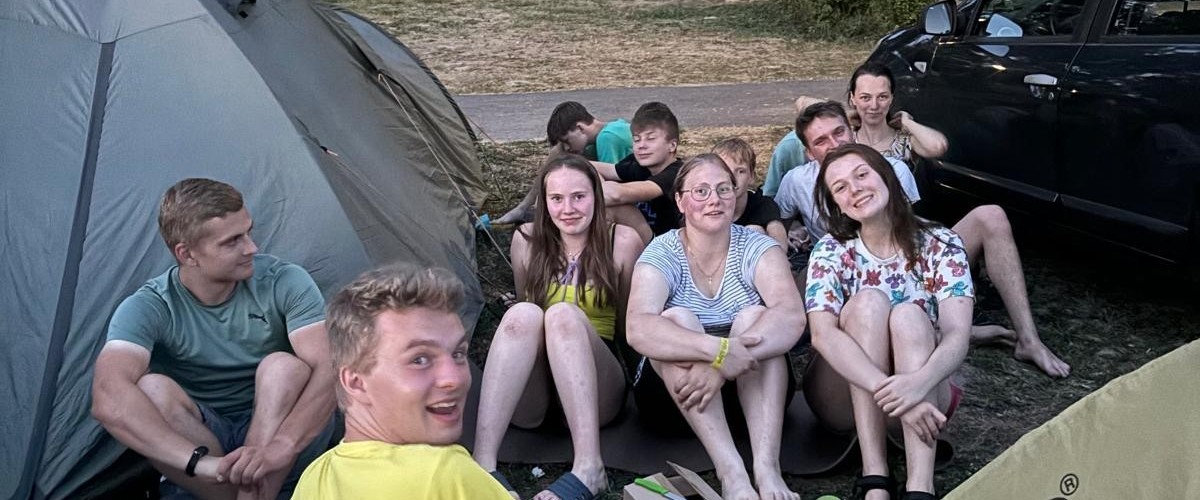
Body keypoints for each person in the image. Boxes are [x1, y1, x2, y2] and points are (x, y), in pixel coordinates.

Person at [775, 101, 1070, 378]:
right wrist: (792, 229)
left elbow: (905, 234)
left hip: (903, 267)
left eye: (839, 132)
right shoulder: (795, 182)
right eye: (821, 141)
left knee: (990, 216)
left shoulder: (890, 169)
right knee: (844, 298)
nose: (834, 143)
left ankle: (1027, 339)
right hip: (850, 283)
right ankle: (952, 332)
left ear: (852, 130)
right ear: (809, 152)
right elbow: (777, 219)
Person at [91, 178, 336, 500]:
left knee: (283, 368)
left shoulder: (284, 280)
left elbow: (331, 369)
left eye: (248, 232)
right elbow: (107, 396)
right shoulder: (151, 306)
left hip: (282, 438)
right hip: (203, 448)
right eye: (232, 241)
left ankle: (251, 493)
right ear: (187, 254)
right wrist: (204, 464)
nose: (251, 248)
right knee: (151, 389)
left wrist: (281, 446)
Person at [626, 154, 805, 500]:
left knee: (754, 317)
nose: (715, 199)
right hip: (679, 396)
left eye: (724, 189)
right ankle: (732, 473)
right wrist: (719, 353)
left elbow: (791, 316)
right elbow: (638, 327)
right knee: (677, 320)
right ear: (680, 201)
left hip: (752, 392)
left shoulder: (757, 246)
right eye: (701, 191)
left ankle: (767, 468)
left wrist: (721, 368)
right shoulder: (662, 251)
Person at [804, 144, 973, 500]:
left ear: (887, 176)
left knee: (909, 315)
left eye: (862, 175)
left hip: (924, 388)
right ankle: (875, 476)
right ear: (836, 204)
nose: (855, 189)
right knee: (867, 303)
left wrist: (917, 384)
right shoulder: (831, 250)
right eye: (840, 187)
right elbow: (821, 335)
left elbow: (958, 335)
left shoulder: (942, 242)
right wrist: (897, 393)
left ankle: (920, 485)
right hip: (845, 398)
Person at [473, 154, 644, 500]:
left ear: (596, 196)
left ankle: (589, 467)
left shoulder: (623, 242)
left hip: (597, 384)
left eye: (578, 196)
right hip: (536, 394)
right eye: (556, 198)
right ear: (544, 201)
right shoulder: (526, 239)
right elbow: (526, 307)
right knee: (524, 313)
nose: (568, 209)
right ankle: (482, 464)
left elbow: (629, 327)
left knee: (562, 315)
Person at [293, 264, 513, 500]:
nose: (454, 379)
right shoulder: (445, 474)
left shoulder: (315, 478)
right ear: (355, 382)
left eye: (458, 353)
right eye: (419, 360)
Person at [496, 102, 634, 225]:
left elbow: (610, 189)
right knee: (558, 151)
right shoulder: (609, 129)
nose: (567, 147)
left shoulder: (607, 138)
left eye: (567, 141)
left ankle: (537, 211)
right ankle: (524, 207)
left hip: (630, 202)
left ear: (580, 128)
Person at [590, 101, 686, 243]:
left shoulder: (677, 173)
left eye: (650, 138)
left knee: (615, 209)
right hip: (644, 236)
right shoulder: (639, 165)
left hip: (668, 245)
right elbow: (597, 168)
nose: (641, 146)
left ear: (672, 145)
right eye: (636, 140)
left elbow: (615, 195)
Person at [845, 62, 947, 164]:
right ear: (853, 98)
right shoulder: (844, 140)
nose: (874, 106)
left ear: (891, 98)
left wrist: (907, 122)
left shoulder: (904, 142)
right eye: (865, 97)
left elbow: (938, 146)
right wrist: (844, 120)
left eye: (882, 97)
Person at [712, 137, 788, 247]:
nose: (733, 178)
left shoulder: (762, 204)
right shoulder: (707, 204)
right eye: (725, 170)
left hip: (754, 256)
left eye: (740, 171)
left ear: (751, 176)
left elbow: (778, 234)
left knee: (754, 230)